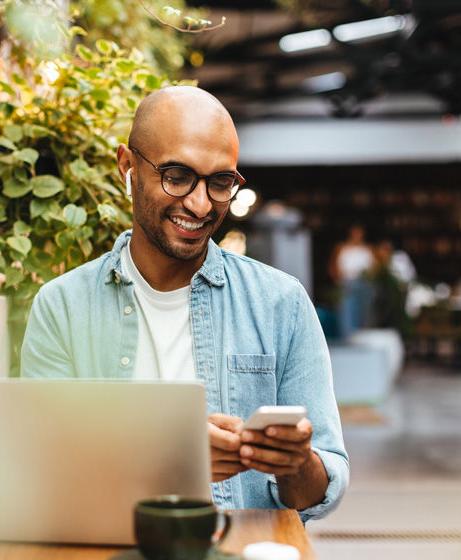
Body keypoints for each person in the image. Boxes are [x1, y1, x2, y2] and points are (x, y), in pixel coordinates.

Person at [21, 86, 348, 521]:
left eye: (220, 182)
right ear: (128, 167)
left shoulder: (280, 304)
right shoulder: (63, 307)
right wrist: (168, 455)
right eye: (177, 176)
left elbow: (319, 489)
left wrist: (296, 464)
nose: (199, 204)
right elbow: (43, 474)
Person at [328, 224, 375, 338]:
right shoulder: (342, 248)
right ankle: (347, 336)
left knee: (364, 311)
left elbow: (374, 268)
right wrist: (338, 279)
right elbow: (333, 266)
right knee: (347, 311)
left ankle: (362, 336)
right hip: (347, 283)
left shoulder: (367, 249)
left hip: (364, 283)